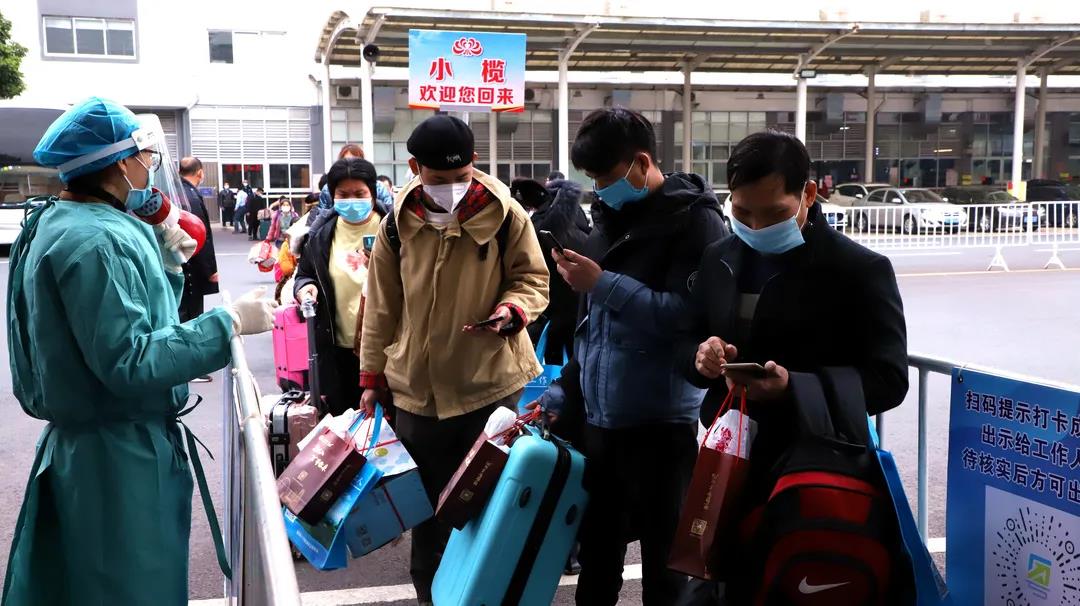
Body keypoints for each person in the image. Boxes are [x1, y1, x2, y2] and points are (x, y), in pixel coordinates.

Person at [3, 97, 276, 606]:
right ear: (118, 163)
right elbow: (129, 361)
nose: (150, 166)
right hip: (116, 458)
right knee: (131, 588)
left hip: (100, 449)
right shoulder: (96, 241)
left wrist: (167, 267)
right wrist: (228, 324)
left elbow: (136, 319)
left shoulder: (66, 221)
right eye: (144, 156)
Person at [676, 130, 909, 604]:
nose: (756, 226)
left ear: (809, 193)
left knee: (793, 586)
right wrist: (701, 359)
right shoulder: (719, 257)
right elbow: (688, 340)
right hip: (729, 462)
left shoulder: (858, 269)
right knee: (718, 586)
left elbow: (890, 379)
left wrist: (793, 388)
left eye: (774, 213)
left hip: (813, 468)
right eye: (742, 212)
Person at [532, 107, 727, 606]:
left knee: (666, 570)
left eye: (606, 176)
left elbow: (687, 316)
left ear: (641, 163)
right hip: (601, 422)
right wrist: (564, 390)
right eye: (592, 179)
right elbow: (593, 328)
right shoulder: (609, 218)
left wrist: (602, 283)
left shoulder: (694, 221)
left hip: (660, 424)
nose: (599, 189)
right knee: (598, 560)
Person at [358, 114, 549, 605]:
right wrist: (372, 377)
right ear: (414, 168)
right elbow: (381, 306)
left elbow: (533, 279)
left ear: (475, 162)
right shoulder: (396, 224)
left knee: (490, 502)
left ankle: (488, 591)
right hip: (417, 391)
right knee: (429, 509)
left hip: (490, 384)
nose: (452, 188)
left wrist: (513, 310)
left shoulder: (506, 216)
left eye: (461, 176)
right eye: (439, 179)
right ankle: (431, 594)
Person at [292, 158, 388, 414]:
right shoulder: (321, 235)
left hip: (387, 353)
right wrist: (305, 288)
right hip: (337, 351)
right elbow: (304, 274)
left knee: (385, 427)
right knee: (343, 423)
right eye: (343, 194)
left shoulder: (394, 228)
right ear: (332, 195)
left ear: (372, 193)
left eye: (359, 193)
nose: (351, 200)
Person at [510, 176, 590, 363]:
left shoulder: (539, 230)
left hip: (556, 310)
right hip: (581, 310)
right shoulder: (577, 221)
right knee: (578, 362)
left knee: (556, 361)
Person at [178, 157, 221, 383]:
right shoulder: (191, 196)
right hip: (191, 269)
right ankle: (190, 366)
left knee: (183, 312)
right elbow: (200, 237)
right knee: (191, 316)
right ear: (200, 172)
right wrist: (210, 269)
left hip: (182, 266)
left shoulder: (176, 191)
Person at [319, 144, 394, 215]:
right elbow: (322, 215)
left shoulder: (379, 188)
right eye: (343, 195)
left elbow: (388, 212)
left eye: (360, 194)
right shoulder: (327, 189)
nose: (351, 165)